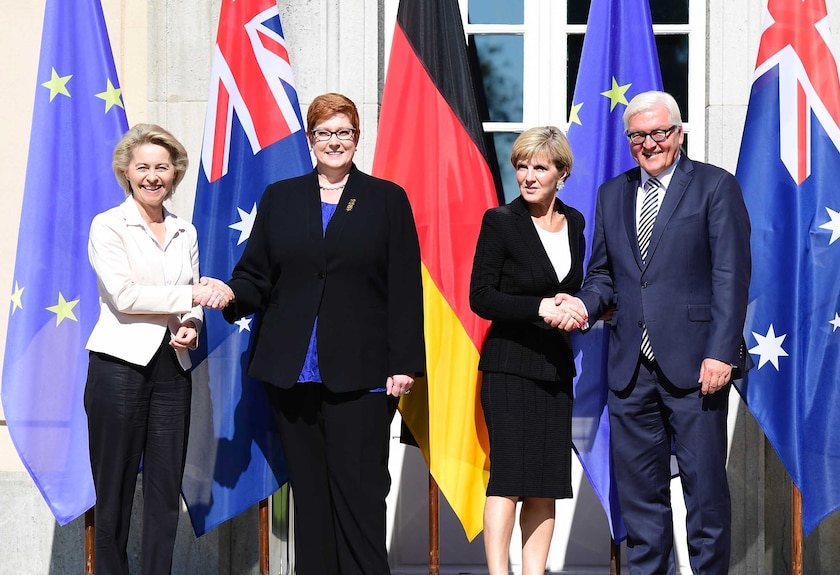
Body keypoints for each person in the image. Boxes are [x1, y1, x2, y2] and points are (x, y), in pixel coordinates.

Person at [210, 92, 425, 575]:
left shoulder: (386, 198)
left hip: (364, 374)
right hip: (294, 373)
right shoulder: (282, 197)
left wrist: (404, 362)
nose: (334, 141)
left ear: (357, 137)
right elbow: (257, 275)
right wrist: (230, 294)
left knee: (361, 495)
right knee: (310, 499)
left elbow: (405, 285)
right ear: (310, 140)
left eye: (343, 132)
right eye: (324, 133)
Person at [571, 91, 752, 574]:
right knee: (640, 500)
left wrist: (721, 353)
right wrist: (582, 305)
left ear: (679, 133)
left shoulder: (715, 186)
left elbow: (730, 276)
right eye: (638, 136)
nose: (649, 144)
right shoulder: (614, 193)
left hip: (697, 368)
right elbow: (604, 275)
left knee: (705, 492)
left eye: (658, 133)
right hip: (630, 371)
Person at [84, 123, 225, 575]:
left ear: (175, 173)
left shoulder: (186, 231)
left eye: (162, 167)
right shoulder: (107, 225)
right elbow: (125, 296)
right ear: (126, 171)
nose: (152, 175)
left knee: (166, 493)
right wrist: (192, 298)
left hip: (172, 371)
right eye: (142, 166)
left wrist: (192, 326)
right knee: (115, 494)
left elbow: (191, 301)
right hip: (118, 368)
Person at [469, 126, 586, 575]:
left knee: (544, 484)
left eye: (540, 167)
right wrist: (540, 306)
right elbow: (481, 296)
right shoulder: (500, 221)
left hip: (555, 370)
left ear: (562, 173)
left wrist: (583, 310)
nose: (529, 176)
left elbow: (575, 289)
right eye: (522, 166)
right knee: (510, 479)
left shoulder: (574, 222)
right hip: (509, 369)